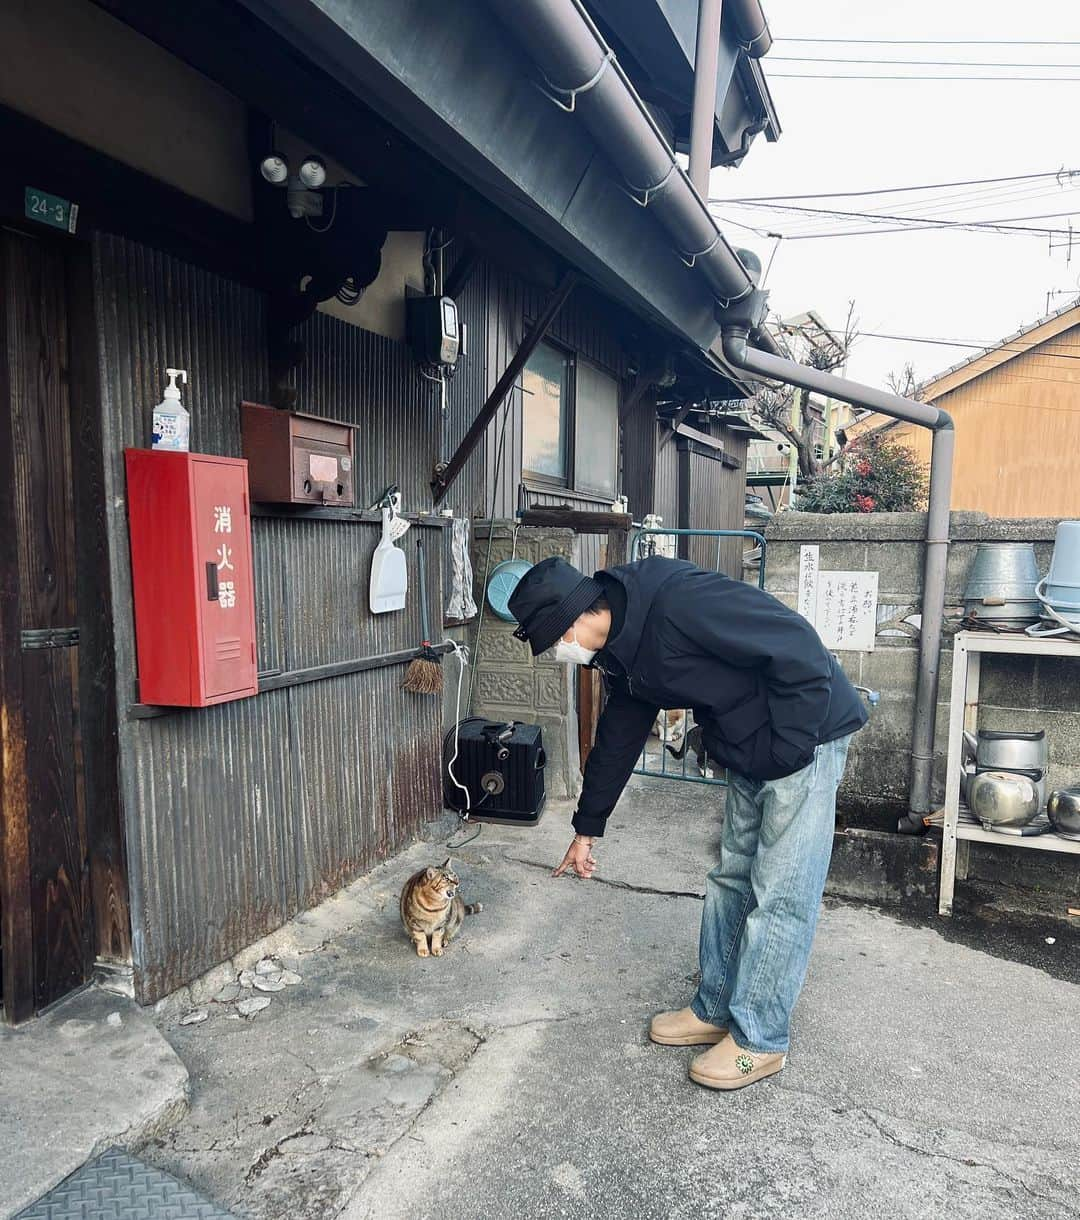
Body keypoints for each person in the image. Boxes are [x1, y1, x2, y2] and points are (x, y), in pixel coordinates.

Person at [507, 554, 868, 1091]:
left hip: (804, 733)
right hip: (751, 745)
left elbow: (798, 647)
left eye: (554, 642)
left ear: (576, 619)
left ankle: (760, 1041)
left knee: (782, 893)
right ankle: (715, 1008)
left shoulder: (677, 602)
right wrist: (588, 827)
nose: (561, 655)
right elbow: (619, 735)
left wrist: (788, 749)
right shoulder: (619, 651)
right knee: (731, 878)